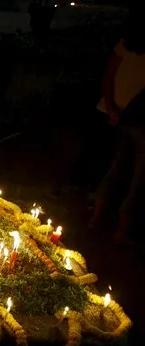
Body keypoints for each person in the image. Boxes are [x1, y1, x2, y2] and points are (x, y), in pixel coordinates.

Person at [90, 10, 145, 243]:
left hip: (130, 116)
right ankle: (110, 224)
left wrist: (112, 109)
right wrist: (112, 108)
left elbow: (109, 76)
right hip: (127, 117)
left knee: (123, 169)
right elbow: (109, 76)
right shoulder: (127, 45)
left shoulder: (127, 44)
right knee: (133, 172)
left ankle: (105, 222)